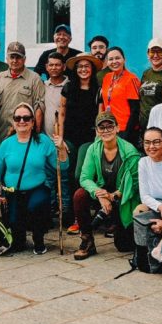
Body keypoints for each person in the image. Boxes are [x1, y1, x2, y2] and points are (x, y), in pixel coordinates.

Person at [0, 102, 68, 255]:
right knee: (17, 241)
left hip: (37, 188)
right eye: (18, 118)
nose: (22, 121)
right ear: (13, 121)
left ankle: (38, 238)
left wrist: (60, 148)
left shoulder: (43, 141)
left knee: (35, 206)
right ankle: (19, 237)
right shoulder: (6, 144)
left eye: (26, 118)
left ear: (33, 122)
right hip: (13, 192)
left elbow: (62, 166)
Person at [72, 111, 140, 259]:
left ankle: (117, 224)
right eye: (101, 128)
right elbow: (85, 178)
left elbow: (134, 185)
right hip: (102, 193)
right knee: (80, 195)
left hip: (122, 197)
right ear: (97, 131)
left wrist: (112, 196)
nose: (106, 130)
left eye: (110, 126)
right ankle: (87, 240)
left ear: (117, 128)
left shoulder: (130, 152)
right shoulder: (93, 149)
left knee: (124, 246)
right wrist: (99, 193)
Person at [57, 53, 102, 230]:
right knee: (67, 174)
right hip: (69, 138)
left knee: (80, 175)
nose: (83, 69)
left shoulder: (98, 89)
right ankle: (76, 217)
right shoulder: (68, 87)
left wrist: (98, 138)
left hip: (88, 139)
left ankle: (88, 212)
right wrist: (60, 137)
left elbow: (100, 114)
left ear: (92, 69)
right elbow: (61, 112)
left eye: (87, 66)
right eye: (80, 66)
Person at [132, 127, 162, 269]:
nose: (151, 146)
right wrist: (161, 207)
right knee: (138, 211)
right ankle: (143, 256)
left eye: (156, 142)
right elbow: (144, 195)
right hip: (156, 205)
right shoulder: (143, 162)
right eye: (147, 142)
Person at [0, 42, 46, 141]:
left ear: (24, 59)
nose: (15, 60)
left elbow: (39, 108)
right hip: (1, 133)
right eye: (12, 57)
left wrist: (36, 134)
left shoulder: (34, 78)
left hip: (24, 134)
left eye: (18, 57)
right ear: (7, 59)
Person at [99, 46, 141, 140]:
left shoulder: (131, 79)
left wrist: (127, 134)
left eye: (117, 58)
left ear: (124, 59)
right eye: (111, 59)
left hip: (125, 131)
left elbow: (135, 110)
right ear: (107, 62)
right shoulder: (107, 78)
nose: (114, 61)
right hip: (109, 128)